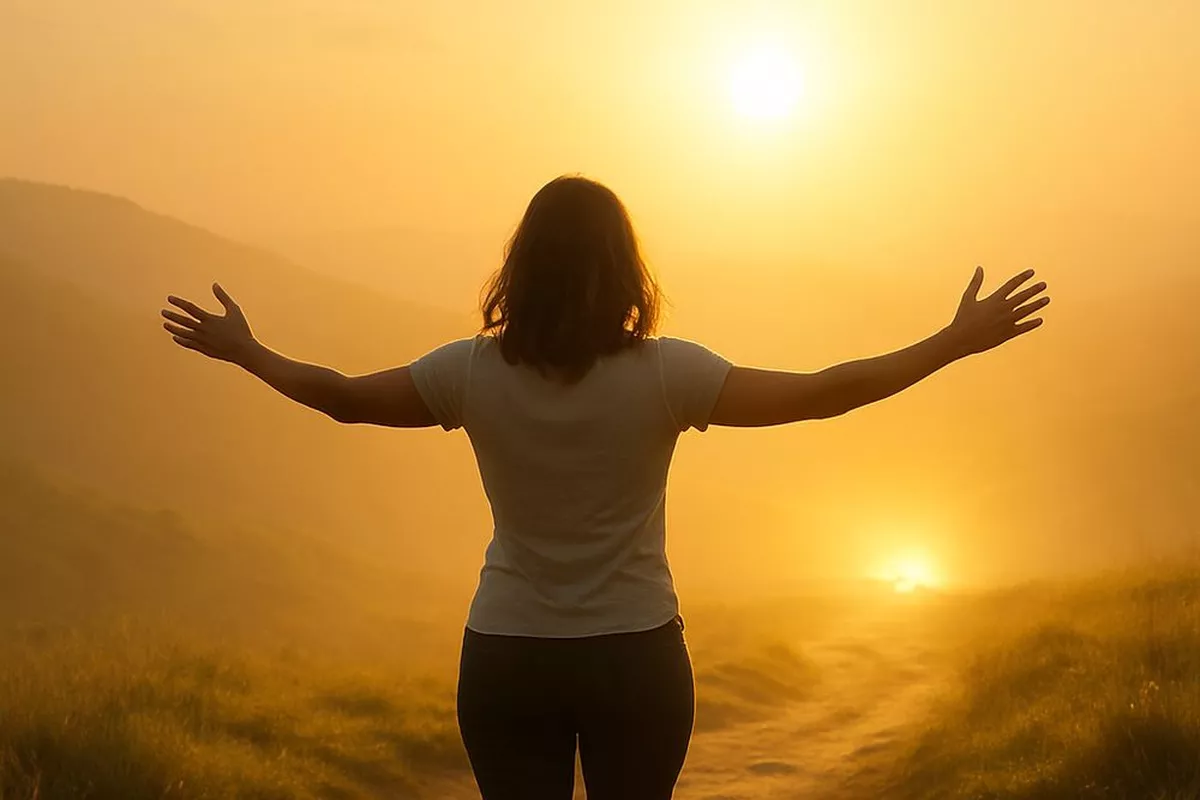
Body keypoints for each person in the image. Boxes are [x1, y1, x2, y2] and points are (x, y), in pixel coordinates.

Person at [160, 175, 1050, 799]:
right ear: (625, 269)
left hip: (507, 654)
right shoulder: (668, 375)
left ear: (521, 268)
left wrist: (250, 352)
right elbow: (820, 395)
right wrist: (949, 342)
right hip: (636, 658)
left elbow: (346, 401)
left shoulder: (468, 374)